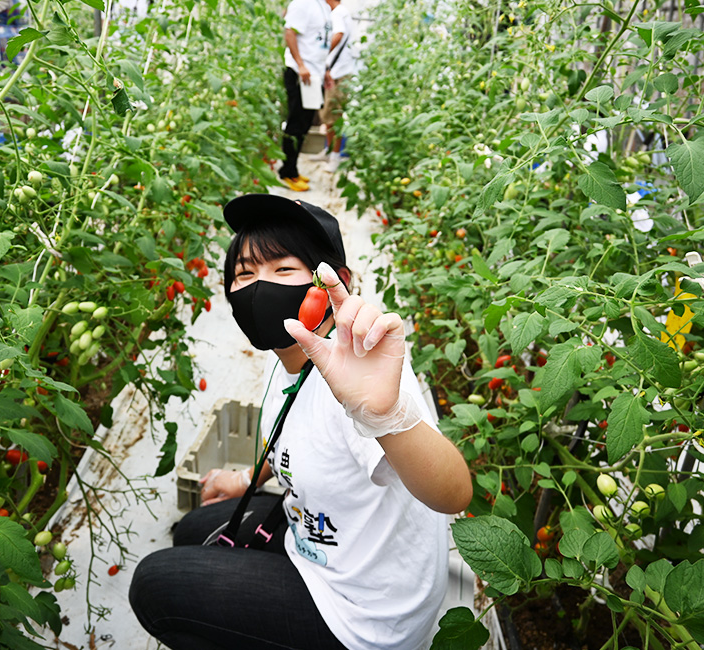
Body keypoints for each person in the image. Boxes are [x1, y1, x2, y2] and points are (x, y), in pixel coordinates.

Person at [129, 194, 473, 650]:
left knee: (154, 586)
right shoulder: (290, 358)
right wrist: (246, 478)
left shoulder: (361, 374)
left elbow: (452, 494)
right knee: (193, 530)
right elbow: (292, 434)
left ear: (333, 283)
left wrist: (387, 416)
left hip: (364, 615)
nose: (257, 287)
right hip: (317, 544)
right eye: (244, 274)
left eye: (283, 270)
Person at [279, 0, 333, 193]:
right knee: (295, 123)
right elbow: (290, 33)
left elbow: (321, 43)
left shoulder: (324, 7)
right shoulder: (302, 3)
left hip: (314, 75)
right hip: (300, 73)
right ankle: (287, 172)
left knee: (304, 123)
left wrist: (326, 70)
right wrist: (301, 64)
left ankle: (292, 169)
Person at [320, 0, 356, 174]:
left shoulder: (337, 13)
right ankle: (328, 152)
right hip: (336, 72)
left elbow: (338, 34)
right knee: (329, 115)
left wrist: (321, 52)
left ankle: (335, 156)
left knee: (334, 117)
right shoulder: (342, 12)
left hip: (338, 74)